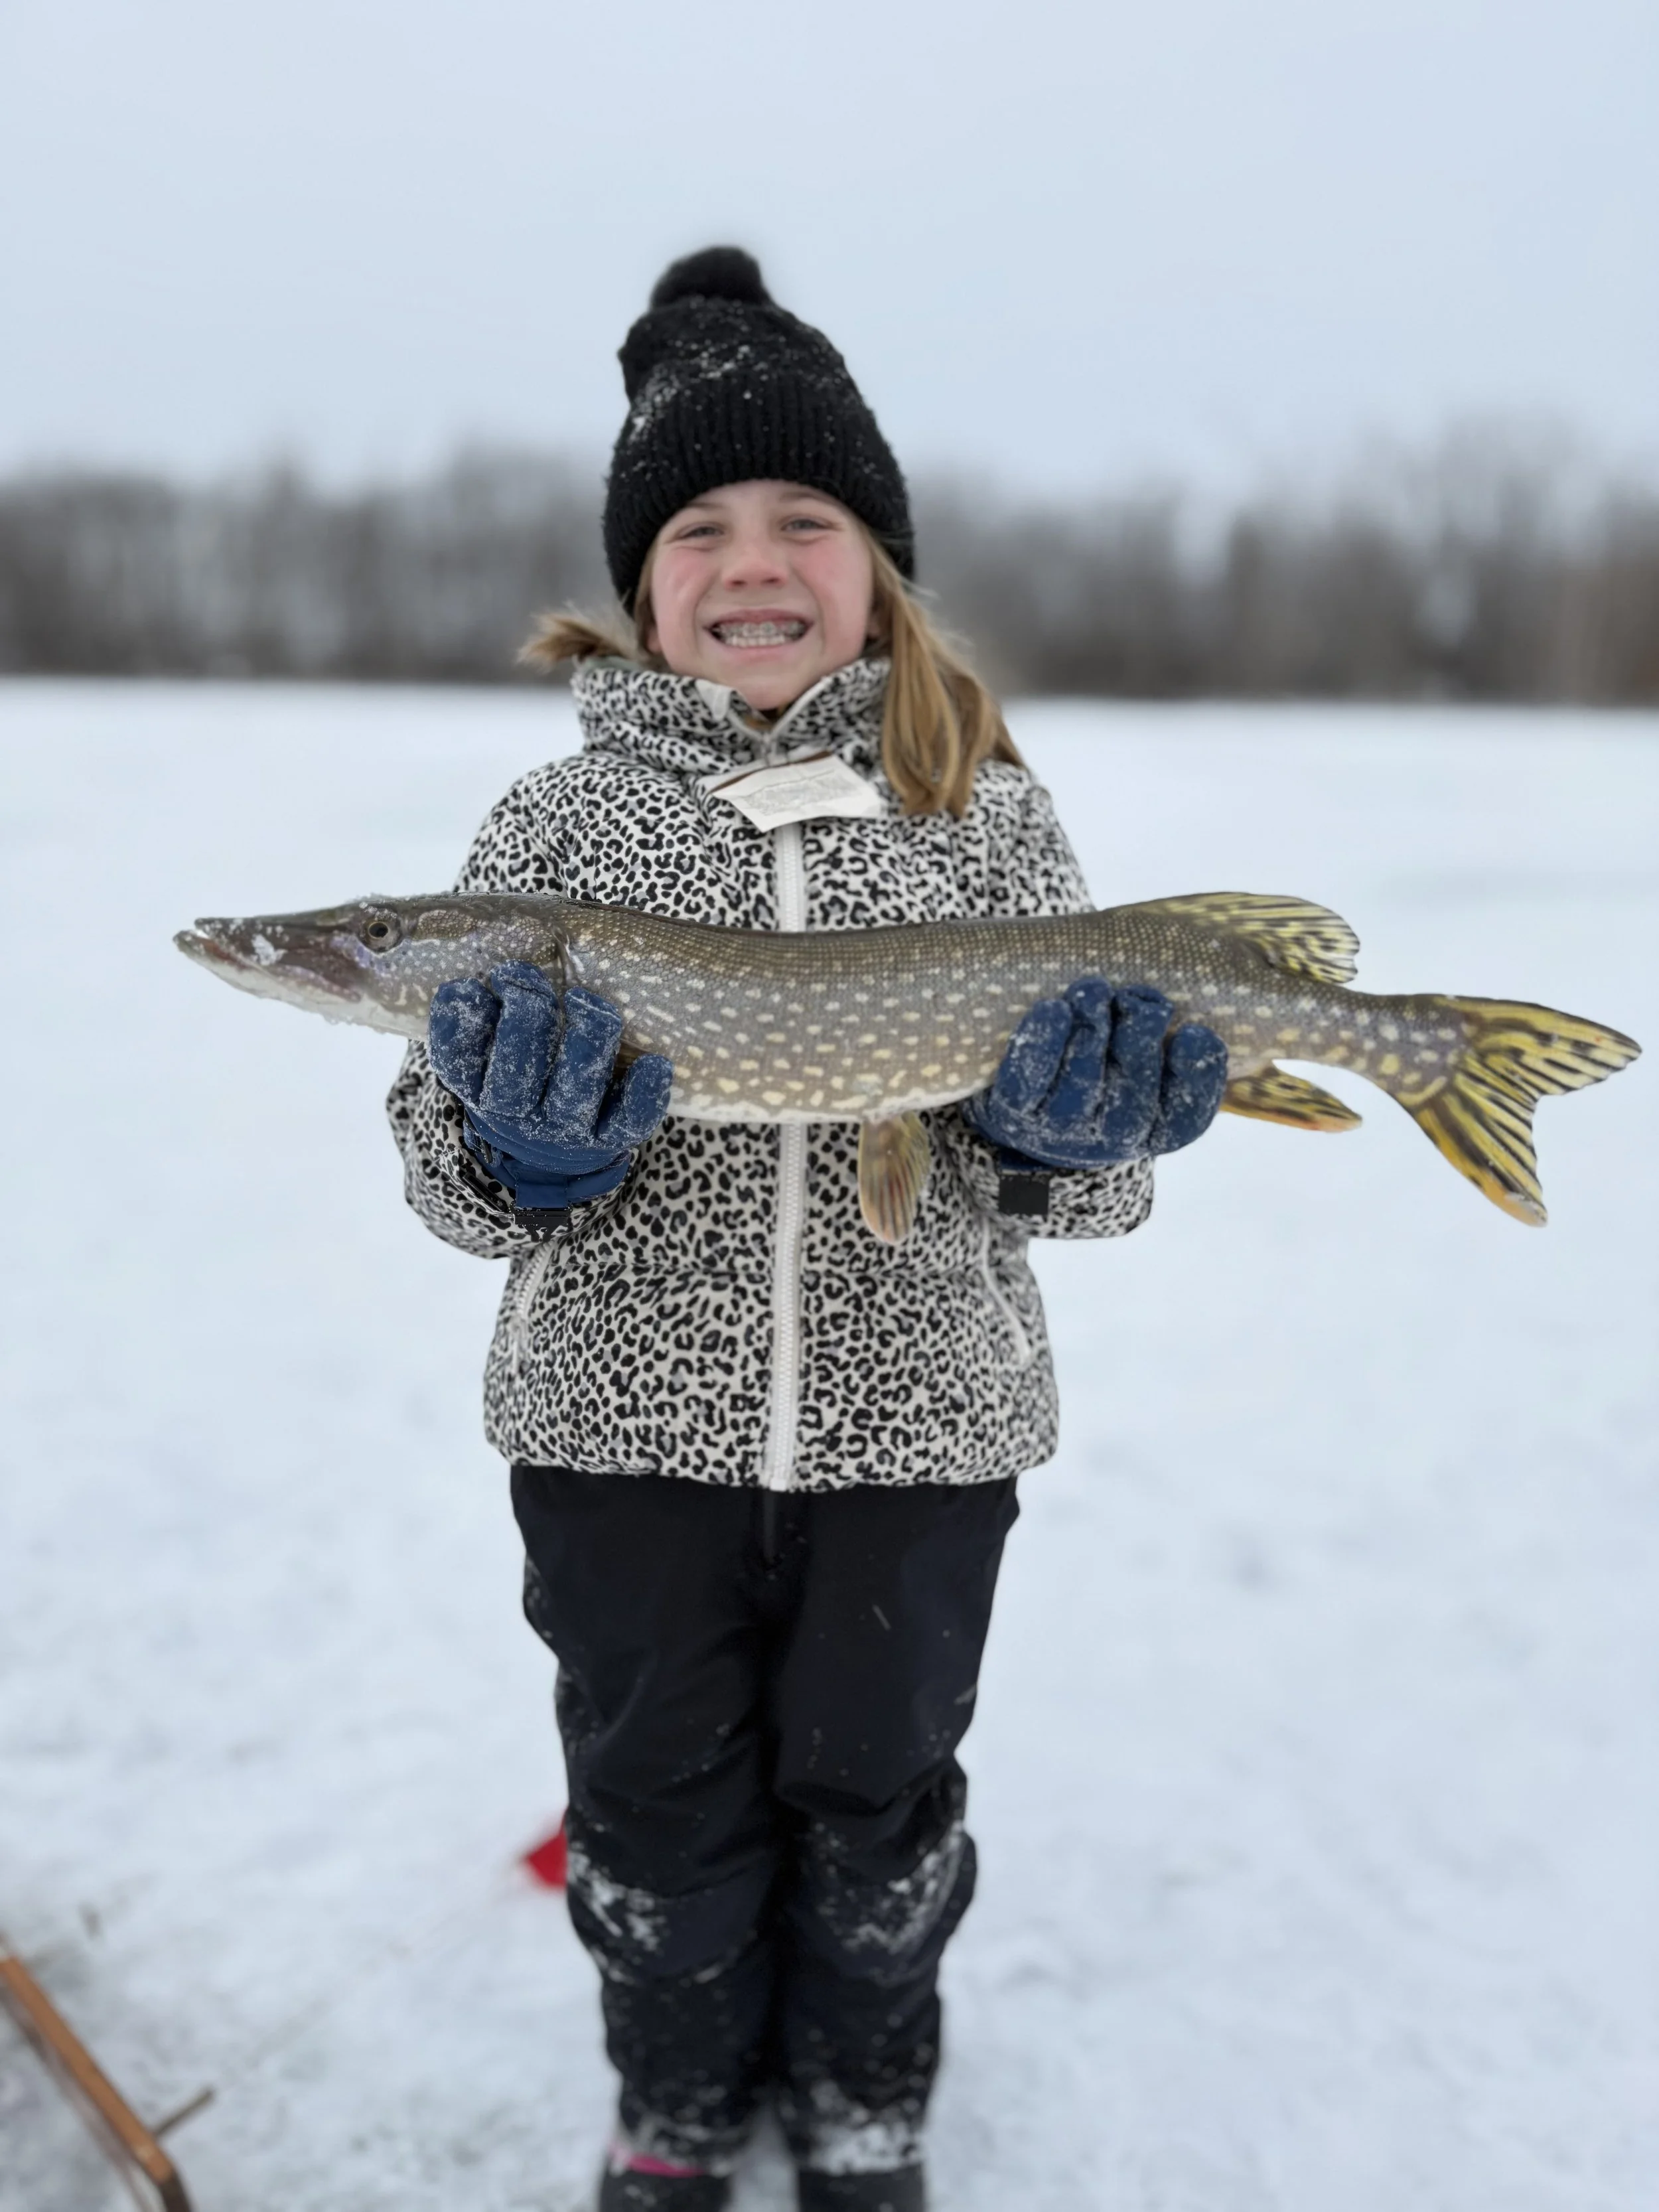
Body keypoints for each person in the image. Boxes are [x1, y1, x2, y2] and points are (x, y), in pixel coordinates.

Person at [388, 247, 1226, 2212]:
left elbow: (1092, 1182)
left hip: (920, 1437)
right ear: (639, 580)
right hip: (615, 1442)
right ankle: (679, 2104)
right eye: (695, 524)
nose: (748, 557)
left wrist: (1044, 1130)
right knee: (655, 1819)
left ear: (878, 563)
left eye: (802, 516)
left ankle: (864, 2098)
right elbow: (440, 1164)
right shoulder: (554, 828)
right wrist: (524, 1156)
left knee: (877, 1813)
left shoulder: (981, 813)